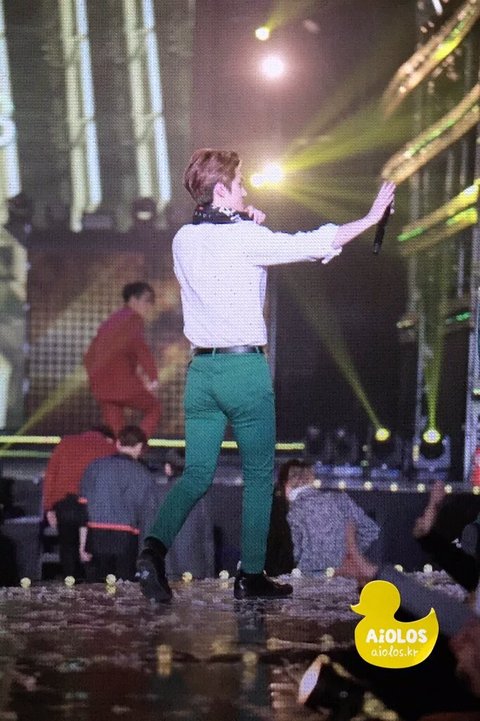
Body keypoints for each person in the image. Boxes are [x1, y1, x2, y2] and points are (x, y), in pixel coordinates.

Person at [136, 147, 396, 603]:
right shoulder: (244, 238)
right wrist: (371, 217)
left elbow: (221, 245)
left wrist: (243, 220)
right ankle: (250, 575)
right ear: (221, 190)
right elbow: (312, 243)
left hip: (202, 373)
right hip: (243, 370)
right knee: (259, 476)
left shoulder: (183, 239)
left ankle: (152, 552)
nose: (246, 190)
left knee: (196, 474)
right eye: (240, 184)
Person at [268, 459, 379, 575]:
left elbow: (293, 554)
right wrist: (348, 553)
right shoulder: (342, 500)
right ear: (310, 478)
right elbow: (371, 530)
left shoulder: (292, 512)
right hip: (345, 576)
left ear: (286, 483)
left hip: (308, 579)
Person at [79, 425, 157, 581]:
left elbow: (83, 509)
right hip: (127, 539)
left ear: (118, 444)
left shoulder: (95, 467)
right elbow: (148, 518)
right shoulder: (144, 475)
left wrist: (82, 545)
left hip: (96, 537)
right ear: (139, 446)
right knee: (125, 589)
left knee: (96, 590)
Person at [84, 282, 161, 438]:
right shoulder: (133, 319)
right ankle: (137, 444)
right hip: (122, 383)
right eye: (147, 300)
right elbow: (140, 348)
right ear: (133, 300)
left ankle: (122, 450)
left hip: (100, 385)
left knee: (117, 432)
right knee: (154, 408)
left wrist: (94, 378)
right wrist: (153, 378)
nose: (150, 306)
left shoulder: (111, 320)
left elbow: (89, 355)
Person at [42, 425, 116, 578]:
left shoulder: (65, 443)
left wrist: (48, 507)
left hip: (65, 505)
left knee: (67, 549)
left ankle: (70, 582)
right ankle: (91, 587)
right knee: (92, 552)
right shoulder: (109, 448)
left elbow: (50, 475)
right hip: (93, 507)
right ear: (108, 438)